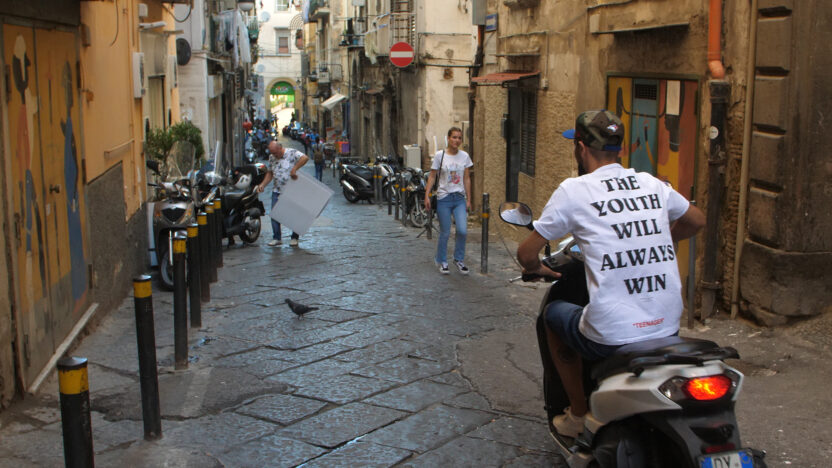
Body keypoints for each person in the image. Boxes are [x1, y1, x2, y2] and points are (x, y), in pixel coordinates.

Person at [516, 110, 706, 438]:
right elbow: (697, 220)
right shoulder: (652, 183)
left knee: (553, 316)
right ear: (620, 149)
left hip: (612, 333)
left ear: (580, 148)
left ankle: (578, 414)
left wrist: (536, 269)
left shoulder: (574, 191)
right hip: (667, 325)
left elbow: (526, 253)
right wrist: (667, 239)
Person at [424, 127, 473, 275]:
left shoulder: (464, 156)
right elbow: (432, 176)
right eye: (454, 137)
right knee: (445, 232)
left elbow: (467, 178)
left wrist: (469, 199)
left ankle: (458, 259)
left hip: (459, 198)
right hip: (444, 198)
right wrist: (426, 195)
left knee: (462, 231)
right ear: (449, 138)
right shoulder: (440, 156)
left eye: (459, 138)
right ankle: (441, 260)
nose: (457, 140)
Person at [256, 141, 310, 247]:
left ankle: (294, 237)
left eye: (276, 153)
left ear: (280, 148)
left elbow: (305, 158)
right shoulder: (272, 157)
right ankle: (276, 238)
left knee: (294, 214)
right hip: (277, 190)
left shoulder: (292, 152)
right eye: (272, 153)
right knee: (274, 213)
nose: (274, 155)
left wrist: (294, 169)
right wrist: (263, 184)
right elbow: (270, 173)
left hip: (292, 190)